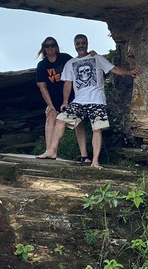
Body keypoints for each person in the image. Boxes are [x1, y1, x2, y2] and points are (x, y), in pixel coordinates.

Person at [41, 33, 141, 168]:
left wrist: (129, 72)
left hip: (97, 101)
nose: (80, 45)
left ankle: (95, 161)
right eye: (78, 43)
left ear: (87, 43)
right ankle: (52, 151)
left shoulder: (97, 58)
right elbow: (67, 84)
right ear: (75, 46)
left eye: (83, 42)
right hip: (79, 101)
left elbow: (114, 69)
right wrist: (65, 101)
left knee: (97, 129)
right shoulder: (70, 63)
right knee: (61, 119)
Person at [34, 36, 90, 162]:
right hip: (54, 99)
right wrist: (51, 105)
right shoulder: (42, 65)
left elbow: (80, 64)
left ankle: (84, 155)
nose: (50, 48)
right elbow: (43, 88)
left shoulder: (65, 58)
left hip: (72, 97)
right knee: (51, 117)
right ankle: (49, 150)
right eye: (47, 46)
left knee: (78, 123)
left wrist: (90, 54)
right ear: (44, 49)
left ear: (56, 46)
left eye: (52, 45)